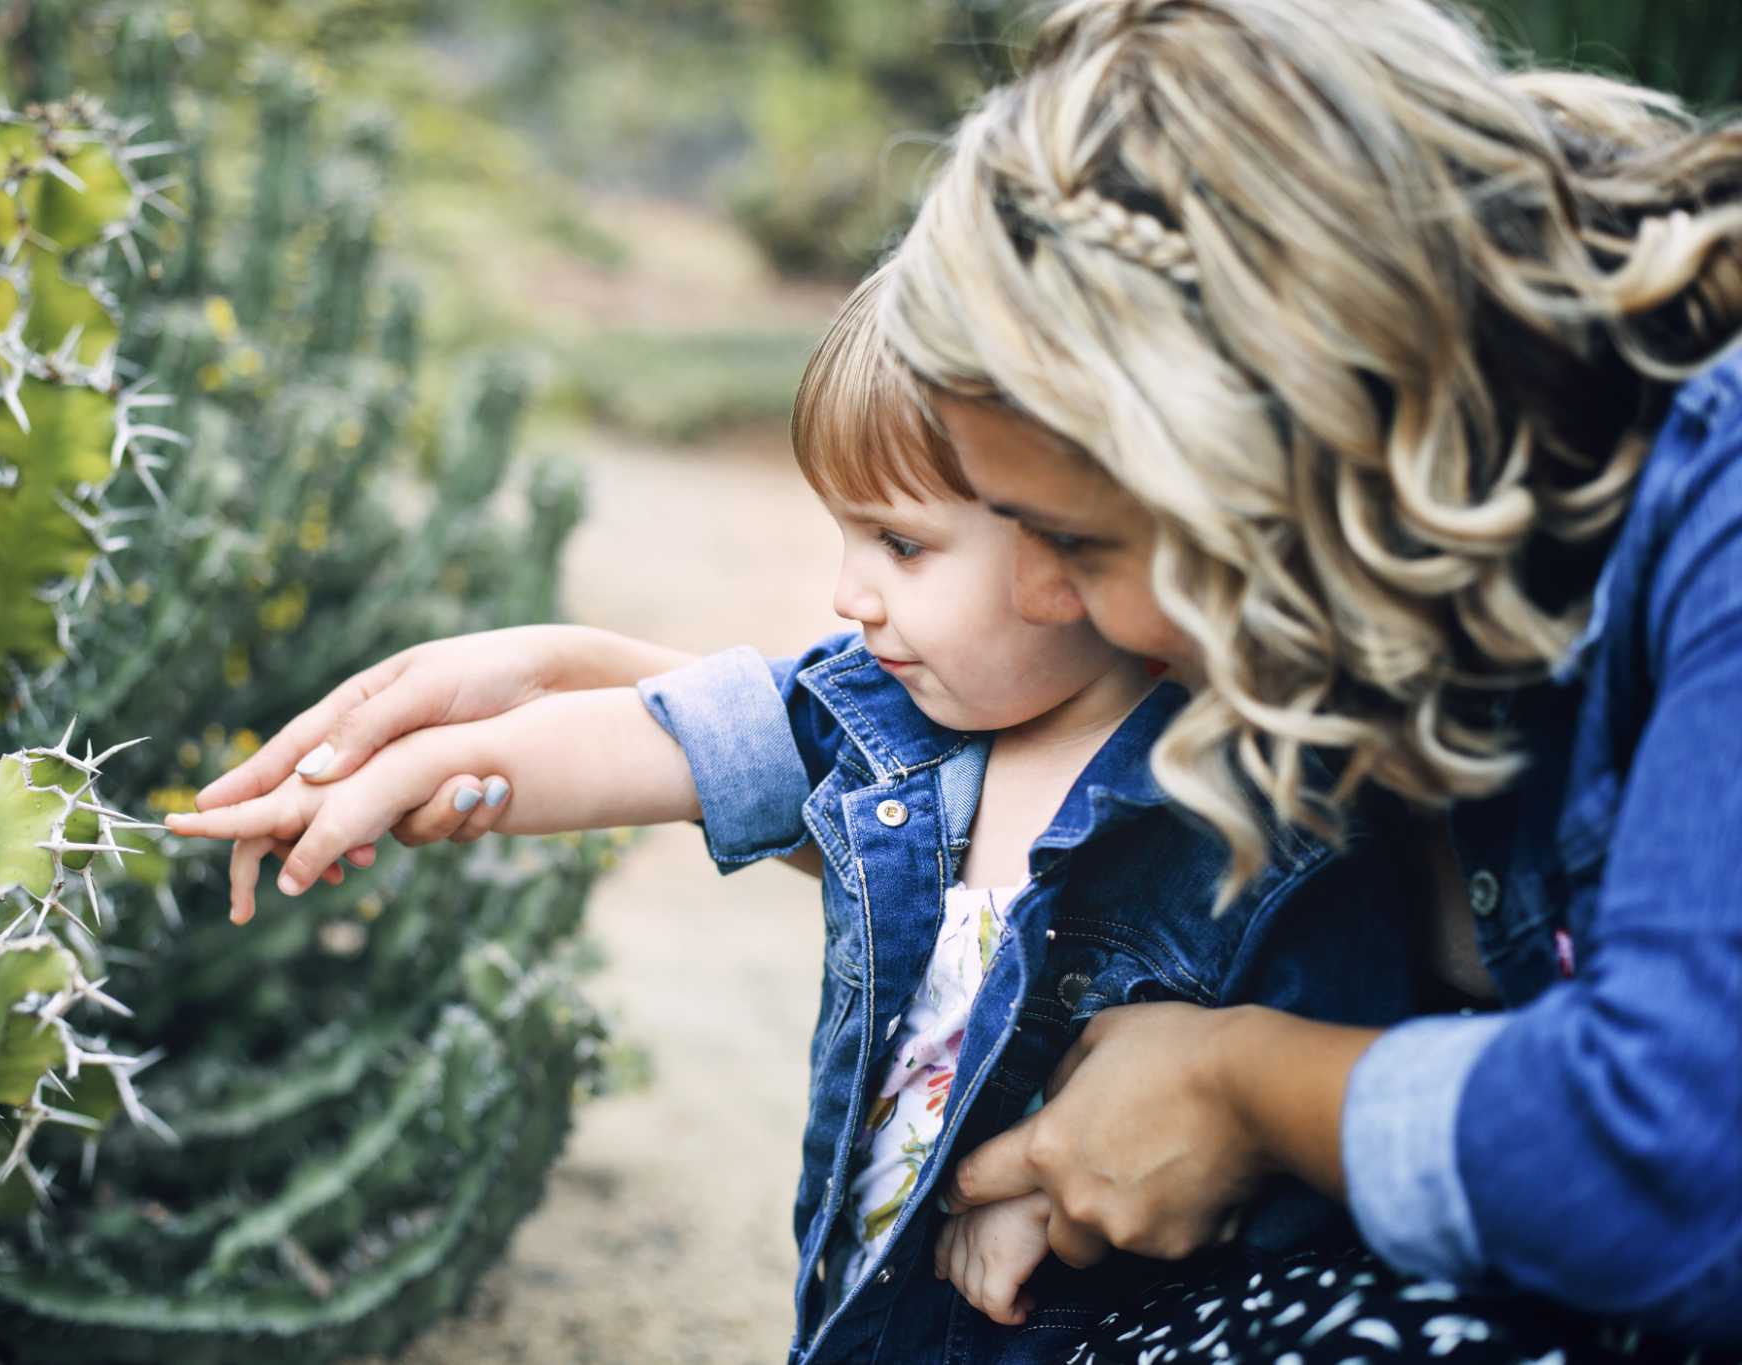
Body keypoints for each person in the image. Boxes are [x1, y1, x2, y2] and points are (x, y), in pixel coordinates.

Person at [167, 274, 1419, 1362]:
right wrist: (404, 770)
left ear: (1077, 529)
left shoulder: (1267, 826)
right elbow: (671, 739)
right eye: (846, 536)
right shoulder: (899, 715)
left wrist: (1057, 1205)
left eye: (900, 546)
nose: (847, 595)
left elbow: (1311, 1149)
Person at [863, 0, 1742, 1355]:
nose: (1052, 602)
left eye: (1079, 544)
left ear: (1276, 447)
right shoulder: (1440, 552)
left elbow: (1673, 1169)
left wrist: (1241, 1088)